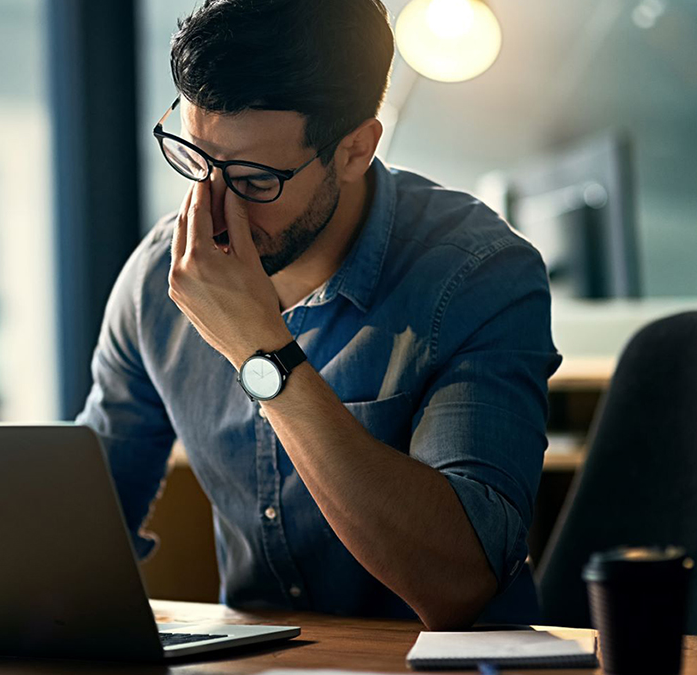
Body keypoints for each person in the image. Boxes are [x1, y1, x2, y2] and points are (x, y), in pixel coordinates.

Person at [76, 0, 560, 629]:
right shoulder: (157, 281)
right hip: (252, 669)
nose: (213, 208)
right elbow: (84, 520)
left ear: (356, 149)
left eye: (253, 180)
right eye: (196, 160)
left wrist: (260, 352)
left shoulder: (477, 275)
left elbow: (461, 582)